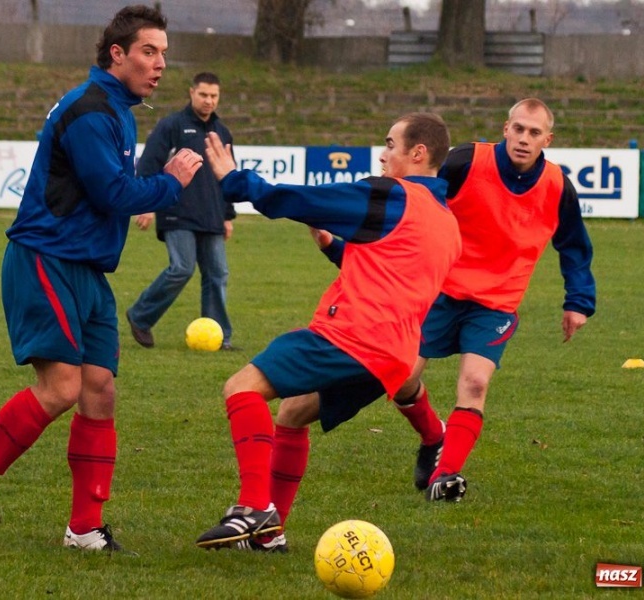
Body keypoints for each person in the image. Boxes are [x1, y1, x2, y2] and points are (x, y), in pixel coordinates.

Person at [0, 4, 203, 553]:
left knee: (99, 390)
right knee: (62, 387)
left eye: (164, 55)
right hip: (46, 258)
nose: (159, 65)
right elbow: (111, 192)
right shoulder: (90, 109)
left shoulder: (115, 109)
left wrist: (149, 191)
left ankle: (84, 526)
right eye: (148, 52)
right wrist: (169, 184)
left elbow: (110, 192)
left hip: (85, 268)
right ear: (118, 54)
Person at [194, 113, 462, 553]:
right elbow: (392, 273)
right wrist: (332, 246)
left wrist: (236, 181)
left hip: (353, 338)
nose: (383, 153)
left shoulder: (393, 195)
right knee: (293, 413)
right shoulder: (446, 223)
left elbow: (302, 198)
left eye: (390, 144)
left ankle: (253, 508)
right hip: (392, 360)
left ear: (419, 153)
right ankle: (271, 534)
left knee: (240, 388)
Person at [388, 97, 596, 503]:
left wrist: (578, 301)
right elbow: (418, 197)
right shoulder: (466, 161)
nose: (524, 138)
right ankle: (434, 436)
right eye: (518, 129)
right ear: (505, 129)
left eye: (534, 133)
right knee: (400, 377)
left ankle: (445, 477)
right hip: (439, 291)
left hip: (496, 302)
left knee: (475, 382)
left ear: (547, 140)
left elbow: (573, 244)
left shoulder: (556, 185)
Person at [126, 72, 238, 350]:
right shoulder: (171, 126)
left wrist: (227, 215)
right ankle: (140, 316)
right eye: (203, 95)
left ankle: (219, 337)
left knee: (217, 274)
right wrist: (146, 204)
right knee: (181, 268)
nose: (208, 101)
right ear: (191, 93)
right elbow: (148, 164)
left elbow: (228, 175)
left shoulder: (222, 132)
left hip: (211, 214)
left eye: (213, 96)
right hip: (176, 211)